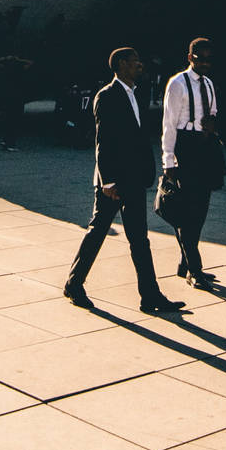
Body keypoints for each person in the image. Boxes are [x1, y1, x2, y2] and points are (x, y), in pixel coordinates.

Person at [64, 47, 187, 315]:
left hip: (133, 179)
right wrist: (107, 180)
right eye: (135, 62)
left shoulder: (136, 94)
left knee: (139, 239)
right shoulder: (106, 96)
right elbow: (103, 141)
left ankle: (150, 296)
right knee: (98, 232)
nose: (140, 66)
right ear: (121, 65)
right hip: (113, 182)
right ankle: (74, 285)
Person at [160, 36, 226, 288]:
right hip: (185, 146)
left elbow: (214, 111)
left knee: (201, 209)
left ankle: (185, 263)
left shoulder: (208, 84)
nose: (206, 65)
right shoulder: (177, 83)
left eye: (210, 60)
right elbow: (168, 123)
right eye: (201, 60)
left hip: (205, 146)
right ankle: (194, 269)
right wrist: (168, 161)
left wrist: (212, 123)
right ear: (190, 58)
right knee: (187, 211)